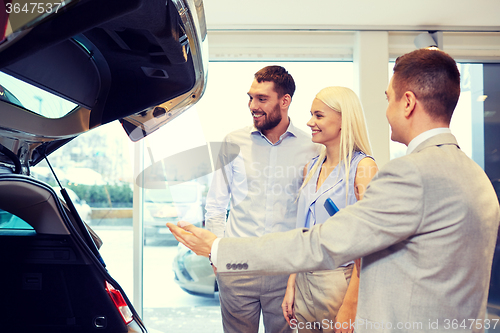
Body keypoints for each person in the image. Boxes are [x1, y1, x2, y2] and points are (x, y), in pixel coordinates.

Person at [168, 49, 500, 332]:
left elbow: (324, 241)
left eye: (389, 99)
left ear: (408, 103)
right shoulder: (473, 176)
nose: (385, 112)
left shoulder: (408, 173)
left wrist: (221, 250)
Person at [204, 65, 318, 333]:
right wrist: (216, 257)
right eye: (251, 97)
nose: (252, 105)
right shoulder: (233, 142)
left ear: (285, 100)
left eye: (262, 99)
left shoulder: (312, 148)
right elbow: (216, 206)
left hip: (285, 273)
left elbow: (311, 214)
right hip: (237, 268)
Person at [281, 86, 377, 333]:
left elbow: (368, 244)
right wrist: (292, 283)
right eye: (311, 114)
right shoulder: (310, 168)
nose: (310, 122)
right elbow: (301, 232)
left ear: (344, 119)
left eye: (319, 115)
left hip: (339, 282)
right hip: (303, 279)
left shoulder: (363, 168)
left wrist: (351, 304)